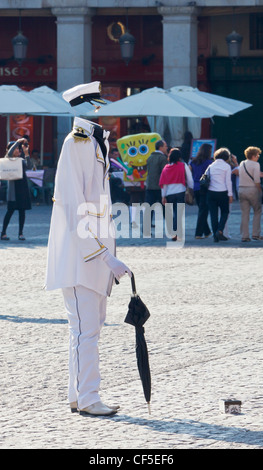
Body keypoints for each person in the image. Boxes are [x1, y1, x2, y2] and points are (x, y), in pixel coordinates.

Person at [45, 81, 132, 417]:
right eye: (100, 105)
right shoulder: (77, 144)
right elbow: (73, 207)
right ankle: (89, 398)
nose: (105, 112)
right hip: (83, 260)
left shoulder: (93, 145)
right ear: (89, 109)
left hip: (92, 259)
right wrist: (106, 256)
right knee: (86, 331)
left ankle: (77, 393)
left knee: (84, 329)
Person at [1, 138, 32, 241]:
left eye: (19, 149)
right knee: (10, 211)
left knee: (22, 211)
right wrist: (18, 141)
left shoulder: (21, 160)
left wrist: (26, 153)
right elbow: (10, 153)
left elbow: (29, 166)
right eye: (16, 149)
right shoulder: (8, 158)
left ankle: (21, 233)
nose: (18, 151)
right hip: (13, 189)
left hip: (22, 188)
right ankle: (3, 232)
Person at [159, 147, 193, 241]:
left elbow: (164, 184)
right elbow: (190, 179)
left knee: (173, 214)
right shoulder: (183, 165)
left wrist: (163, 196)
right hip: (180, 192)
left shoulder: (166, 168)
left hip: (169, 194)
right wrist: (191, 189)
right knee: (179, 214)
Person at [205, 147, 233, 243]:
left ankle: (215, 237)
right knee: (225, 212)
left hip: (211, 192)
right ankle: (220, 230)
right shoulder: (227, 167)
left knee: (213, 215)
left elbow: (205, 177)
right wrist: (230, 194)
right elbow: (228, 182)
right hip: (223, 192)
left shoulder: (211, 166)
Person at [238, 146, 262, 242]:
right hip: (252, 190)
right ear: (253, 155)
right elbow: (257, 180)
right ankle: (255, 234)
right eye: (257, 155)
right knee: (257, 211)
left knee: (245, 214)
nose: (258, 157)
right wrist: (260, 190)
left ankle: (245, 236)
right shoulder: (256, 165)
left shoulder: (242, 163)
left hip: (241, 189)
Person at [189, 143, 213, 239]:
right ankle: (198, 233)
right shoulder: (209, 163)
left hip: (195, 187)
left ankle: (207, 232)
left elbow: (189, 172)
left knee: (202, 210)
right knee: (203, 211)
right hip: (204, 188)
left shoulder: (193, 162)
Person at [145, 139, 168, 226]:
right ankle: (170, 227)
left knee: (149, 208)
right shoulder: (162, 158)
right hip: (159, 187)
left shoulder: (150, 157)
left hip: (150, 186)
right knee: (165, 207)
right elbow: (164, 173)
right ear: (161, 147)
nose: (166, 148)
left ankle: (146, 227)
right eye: (165, 146)